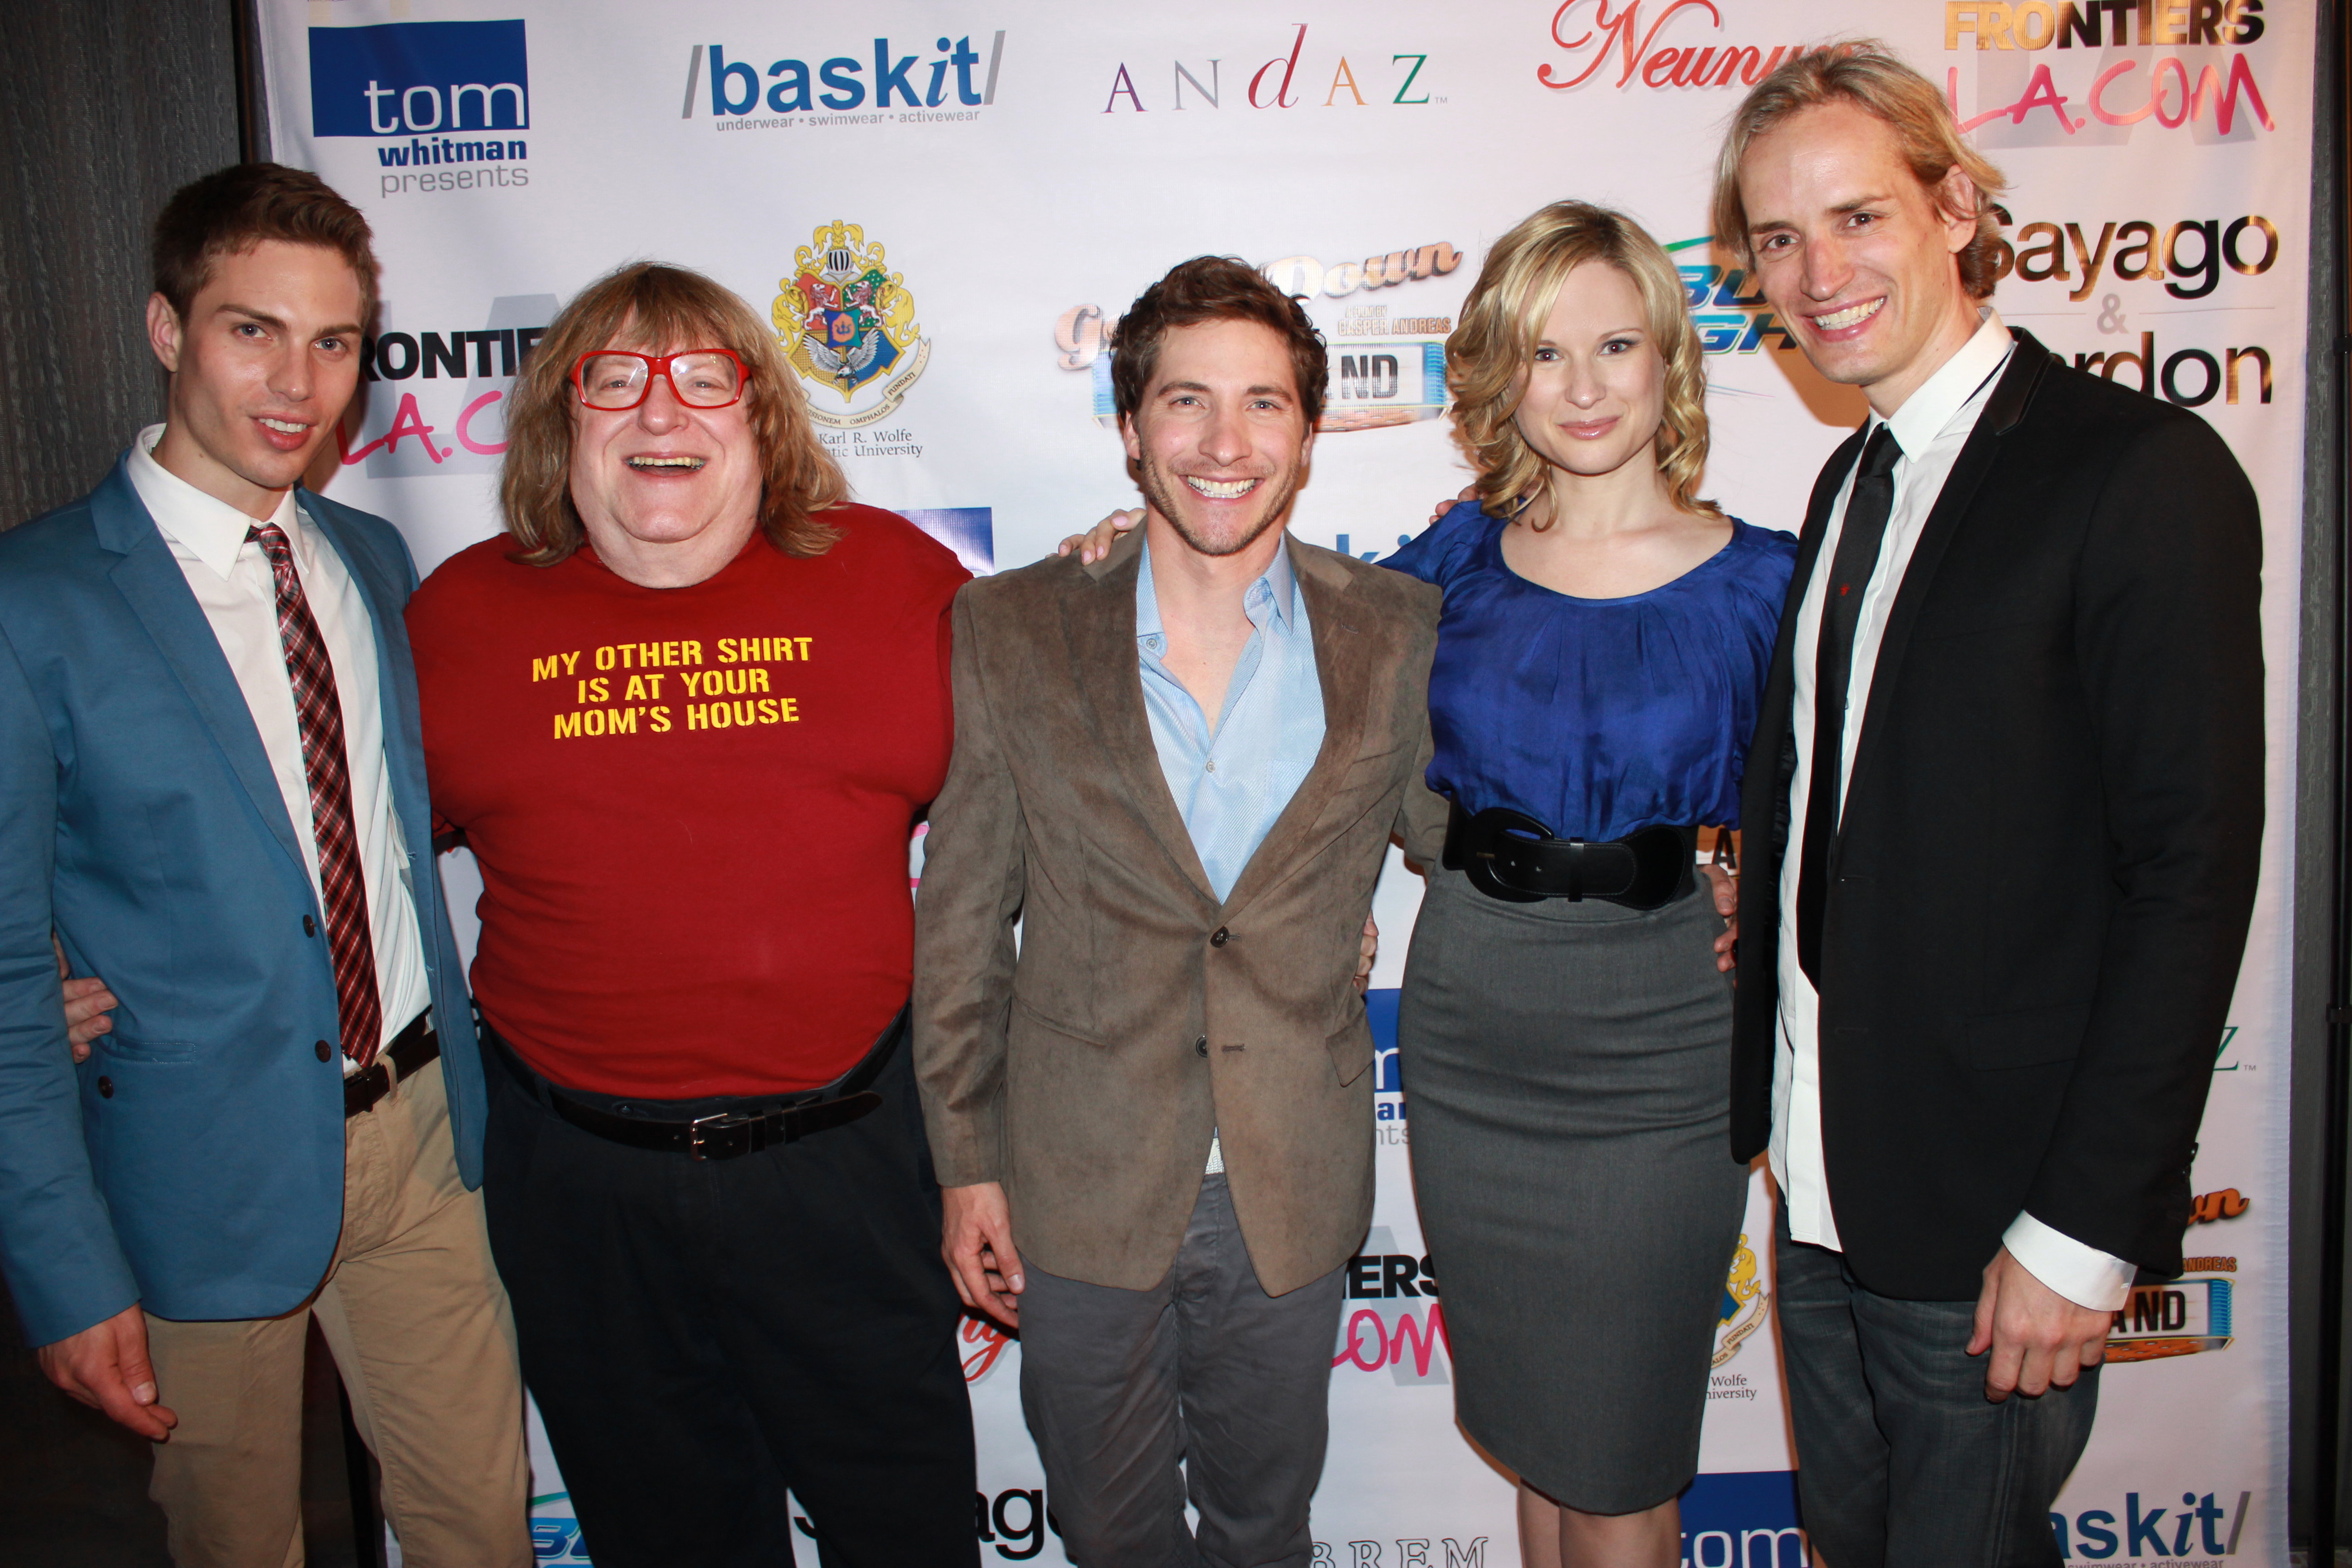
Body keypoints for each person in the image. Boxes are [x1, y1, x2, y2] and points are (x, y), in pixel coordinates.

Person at [1715, 44, 2263, 1562]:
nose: (1816, 272)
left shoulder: (2137, 471)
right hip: (1823, 1192)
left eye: (1858, 217)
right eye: (1776, 237)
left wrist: (2084, 1232)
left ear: (1955, 207)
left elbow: (2192, 872)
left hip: (1998, 1217)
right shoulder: (1847, 487)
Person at [404, 262, 979, 1568]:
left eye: (703, 381)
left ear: (762, 419)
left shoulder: (895, 579)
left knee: (910, 1537)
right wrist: (90, 961)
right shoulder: (458, 616)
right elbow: (333, 857)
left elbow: (1068, 786)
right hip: (581, 1187)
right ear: (563, 425)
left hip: (847, 1166)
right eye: (617, 382)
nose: (661, 416)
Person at [0, 164, 530, 1566]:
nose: (300, 382)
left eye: (336, 342)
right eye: (254, 331)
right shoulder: (31, 602)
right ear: (170, 331)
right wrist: (61, 1274)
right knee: (239, 1546)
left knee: (484, 1530)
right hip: (191, 1169)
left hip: (423, 1139)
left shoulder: (373, 560)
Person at [912, 255, 1445, 1568]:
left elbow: (1475, 851)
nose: (1226, 443)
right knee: (1111, 1535)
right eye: (1188, 402)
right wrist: (967, 1160)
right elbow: (964, 922)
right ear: (1132, 427)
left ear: (1310, 435)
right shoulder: (1011, 626)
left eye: (1265, 404)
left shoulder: (1399, 630)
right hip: (1075, 1176)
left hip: (1292, 1175)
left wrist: (1692, 876)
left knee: (1268, 1530)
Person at [1378, 202, 1788, 1568]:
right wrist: (1107, 564)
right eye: (1547, 355)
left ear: (1671, 356)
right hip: (1472, 1013)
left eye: (1616, 344)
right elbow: (1269, 640)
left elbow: (1878, 802)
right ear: (1499, 375)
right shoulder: (1454, 562)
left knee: (1616, 1462)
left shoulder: (1768, 585)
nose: (1587, 385)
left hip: (1663, 1036)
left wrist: (1774, 892)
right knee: (1543, 1438)